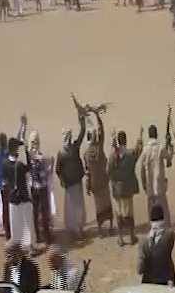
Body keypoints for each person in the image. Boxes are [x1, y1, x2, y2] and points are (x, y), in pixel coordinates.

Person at [55, 103, 87, 241]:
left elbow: (82, 132)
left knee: (78, 206)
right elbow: (58, 170)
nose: (67, 138)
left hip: (77, 182)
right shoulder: (61, 153)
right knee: (71, 208)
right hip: (69, 184)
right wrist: (63, 180)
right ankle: (73, 229)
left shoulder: (75, 147)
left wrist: (81, 119)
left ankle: (78, 229)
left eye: (68, 135)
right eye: (66, 136)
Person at [108, 128, 143, 246]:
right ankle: (132, 236)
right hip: (128, 188)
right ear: (126, 141)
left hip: (117, 189)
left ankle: (120, 238)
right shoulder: (130, 154)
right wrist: (140, 136)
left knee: (119, 213)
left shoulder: (113, 155)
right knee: (129, 214)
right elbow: (139, 151)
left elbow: (108, 171)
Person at [1, 136, 35, 253]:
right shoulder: (20, 165)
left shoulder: (4, 163)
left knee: (15, 224)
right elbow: (29, 168)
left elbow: (5, 181)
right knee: (27, 223)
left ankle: (17, 246)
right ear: (15, 149)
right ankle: (29, 247)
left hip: (12, 198)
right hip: (23, 197)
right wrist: (27, 153)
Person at [139, 124, 175, 226]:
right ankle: (166, 228)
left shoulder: (145, 150)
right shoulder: (160, 148)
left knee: (151, 208)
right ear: (156, 134)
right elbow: (169, 161)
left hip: (150, 185)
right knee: (163, 207)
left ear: (149, 135)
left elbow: (142, 168)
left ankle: (153, 227)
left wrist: (143, 183)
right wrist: (170, 146)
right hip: (159, 185)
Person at [83, 108, 113, 237]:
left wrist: (87, 187)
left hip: (94, 183)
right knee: (107, 204)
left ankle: (101, 230)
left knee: (99, 206)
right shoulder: (99, 148)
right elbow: (102, 131)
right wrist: (97, 116)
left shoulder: (86, 154)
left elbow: (87, 173)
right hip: (104, 181)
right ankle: (110, 226)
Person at [137, 204, 175, 285]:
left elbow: (139, 269)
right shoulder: (169, 235)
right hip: (166, 279)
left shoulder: (144, 241)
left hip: (148, 281)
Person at [27, 131, 52, 245]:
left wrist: (47, 167)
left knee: (42, 212)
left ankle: (44, 236)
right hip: (36, 187)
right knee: (37, 212)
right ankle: (39, 236)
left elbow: (47, 171)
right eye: (33, 141)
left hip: (39, 187)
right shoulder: (30, 156)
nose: (34, 144)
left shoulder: (40, 156)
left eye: (36, 141)